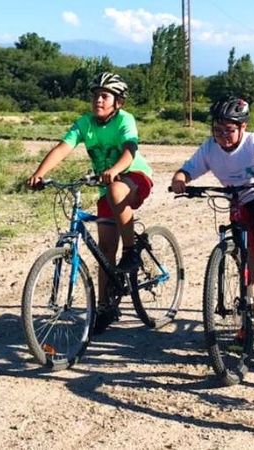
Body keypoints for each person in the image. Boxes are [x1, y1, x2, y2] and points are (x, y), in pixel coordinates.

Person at [26, 71, 154, 334]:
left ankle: (131, 252)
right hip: (108, 186)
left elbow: (131, 150)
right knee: (106, 250)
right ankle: (106, 307)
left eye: (105, 96)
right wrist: (40, 173)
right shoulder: (85, 123)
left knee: (116, 191)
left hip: (134, 176)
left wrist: (116, 169)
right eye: (96, 95)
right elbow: (63, 147)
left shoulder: (124, 120)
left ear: (117, 102)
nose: (98, 99)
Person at [170, 97, 254, 311]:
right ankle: (248, 319)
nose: (223, 136)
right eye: (217, 130)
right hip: (238, 201)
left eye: (229, 130)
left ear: (243, 126)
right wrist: (180, 180)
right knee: (248, 259)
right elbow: (188, 169)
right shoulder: (209, 148)